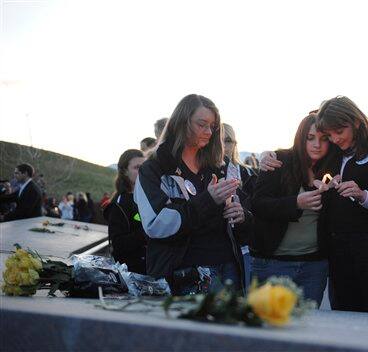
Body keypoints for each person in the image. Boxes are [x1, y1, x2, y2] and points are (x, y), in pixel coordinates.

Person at [134, 94, 251, 295]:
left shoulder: (218, 166)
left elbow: (246, 212)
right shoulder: (154, 169)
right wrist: (208, 200)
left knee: (229, 326)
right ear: (181, 122)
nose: (208, 131)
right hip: (183, 275)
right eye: (201, 124)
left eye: (213, 126)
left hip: (228, 269)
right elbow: (156, 224)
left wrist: (242, 216)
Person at [316, 96, 368, 314]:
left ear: (357, 122)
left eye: (339, 132)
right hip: (338, 250)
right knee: (344, 316)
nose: (334, 139)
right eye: (329, 134)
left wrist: (364, 197)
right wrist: (271, 155)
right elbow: (302, 156)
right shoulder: (332, 154)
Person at [251, 114, 335, 306]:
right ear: (300, 137)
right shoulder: (279, 160)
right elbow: (257, 204)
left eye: (324, 139)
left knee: (306, 326)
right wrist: (295, 203)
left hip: (314, 265)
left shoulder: (332, 167)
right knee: (270, 326)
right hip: (274, 263)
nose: (317, 145)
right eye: (310, 138)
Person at [222, 123, 257, 290]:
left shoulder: (249, 174)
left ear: (234, 143)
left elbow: (258, 211)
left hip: (245, 247)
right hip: (219, 248)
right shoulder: (202, 173)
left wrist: (245, 214)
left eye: (227, 140)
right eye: (218, 140)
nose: (223, 145)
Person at [104, 149, 147, 274]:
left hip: (151, 268)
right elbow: (118, 244)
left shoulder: (148, 197)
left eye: (144, 167)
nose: (142, 172)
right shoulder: (118, 204)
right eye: (137, 167)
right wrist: (147, 232)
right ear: (124, 171)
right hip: (132, 273)